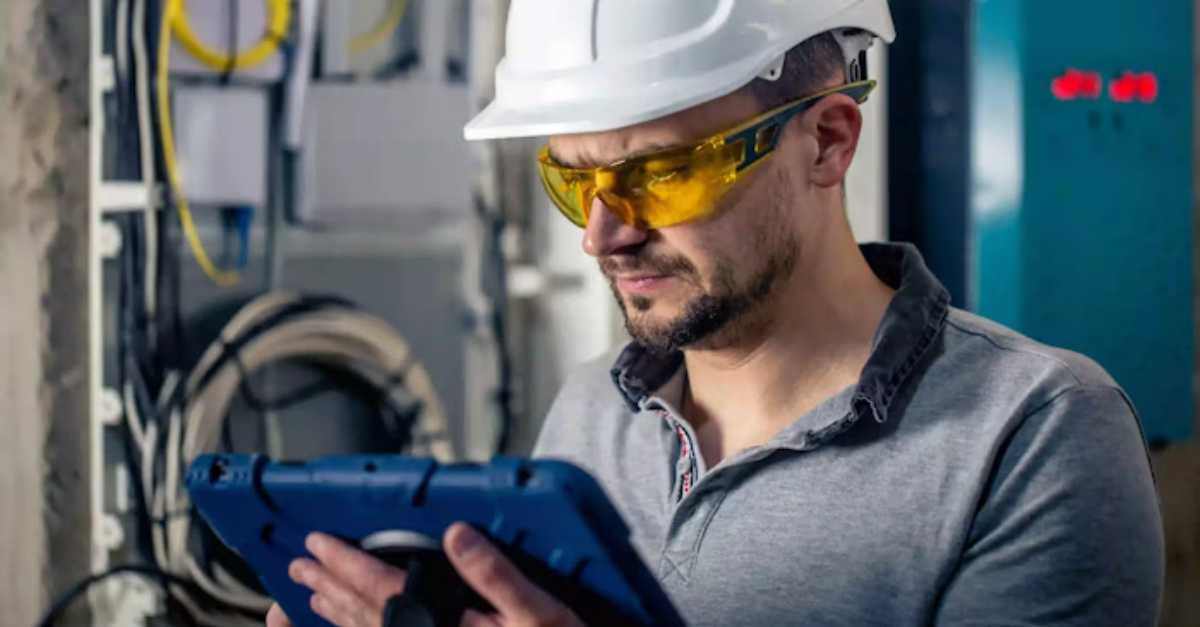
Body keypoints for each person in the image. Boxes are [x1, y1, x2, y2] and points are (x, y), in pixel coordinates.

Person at [270, 1, 1164, 625]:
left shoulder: (1034, 435)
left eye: (660, 172)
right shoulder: (593, 411)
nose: (603, 234)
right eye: (573, 179)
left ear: (826, 141)